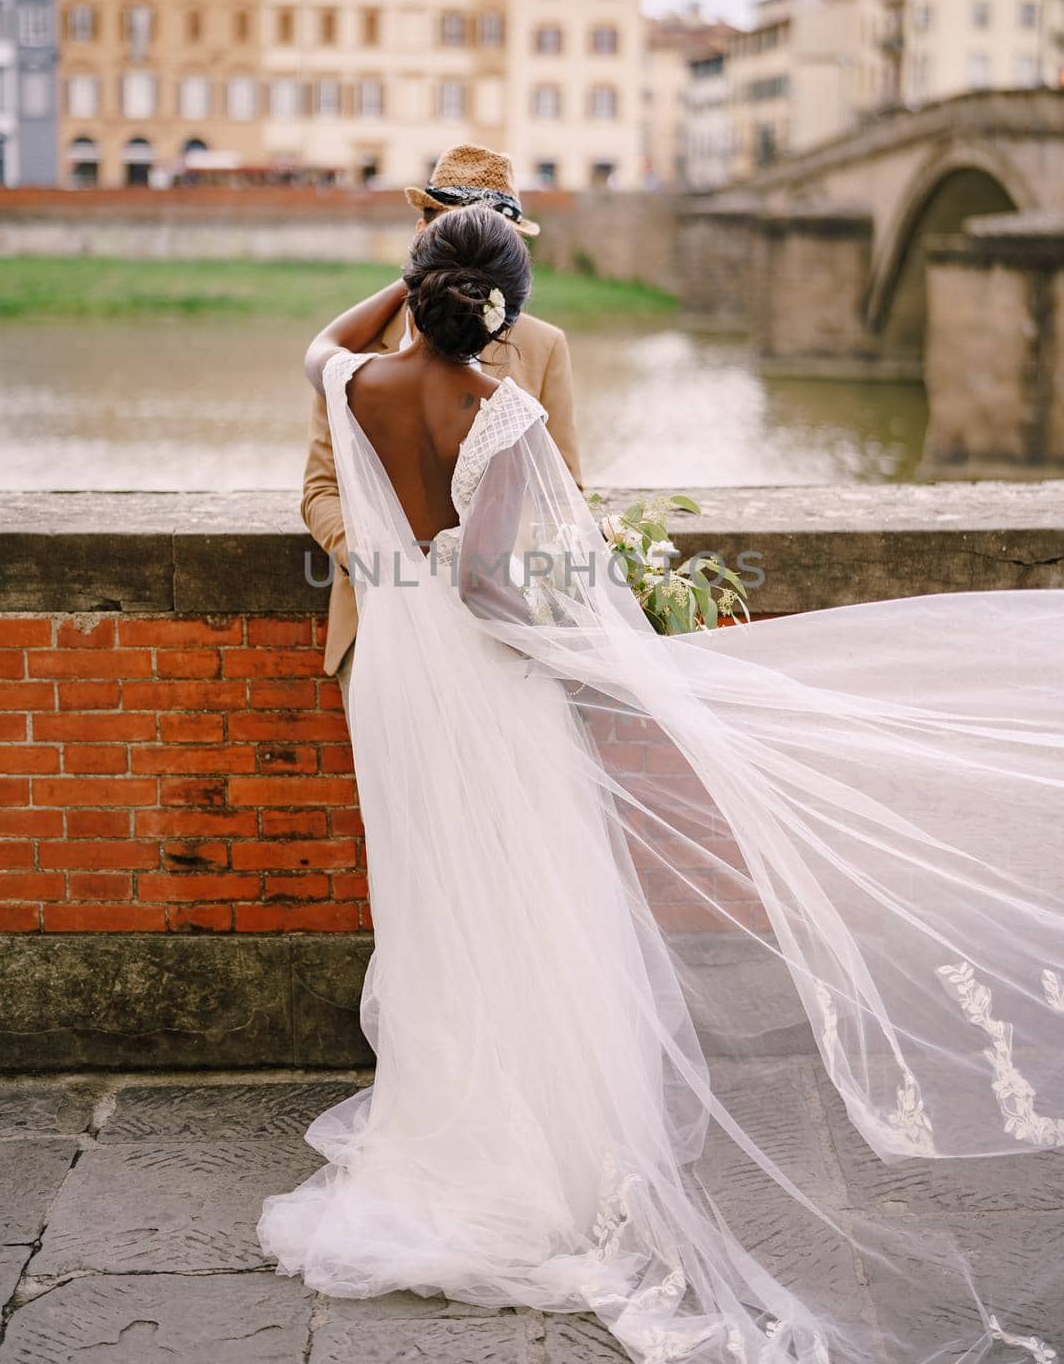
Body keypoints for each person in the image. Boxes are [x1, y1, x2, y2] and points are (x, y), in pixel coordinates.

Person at [260, 204, 1064, 1364]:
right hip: (485, 675)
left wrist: (410, 282)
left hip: (395, 665)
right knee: (537, 891)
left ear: (419, 287)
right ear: (507, 309)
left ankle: (437, 1132)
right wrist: (574, 645)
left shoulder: (355, 383)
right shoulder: (506, 410)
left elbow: (324, 345)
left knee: (436, 896)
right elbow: (502, 579)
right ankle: (541, 1148)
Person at [300, 144, 581, 710]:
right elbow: (319, 489)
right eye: (458, 232)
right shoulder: (366, 350)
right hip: (379, 627)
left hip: (496, 641)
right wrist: (384, 567)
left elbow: (564, 492)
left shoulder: (544, 346)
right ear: (420, 231)